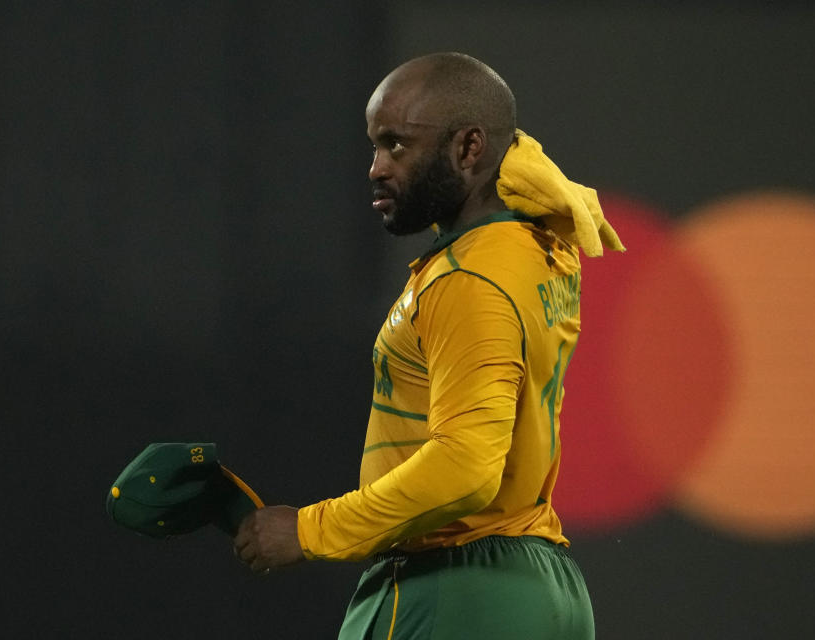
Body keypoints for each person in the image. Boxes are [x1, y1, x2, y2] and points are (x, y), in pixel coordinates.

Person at [234, 51, 623, 639]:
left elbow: (467, 466)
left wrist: (311, 531)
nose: (375, 168)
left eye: (396, 145)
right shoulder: (536, 241)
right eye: (374, 145)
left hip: (453, 588)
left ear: (469, 149)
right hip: (539, 584)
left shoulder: (468, 279)